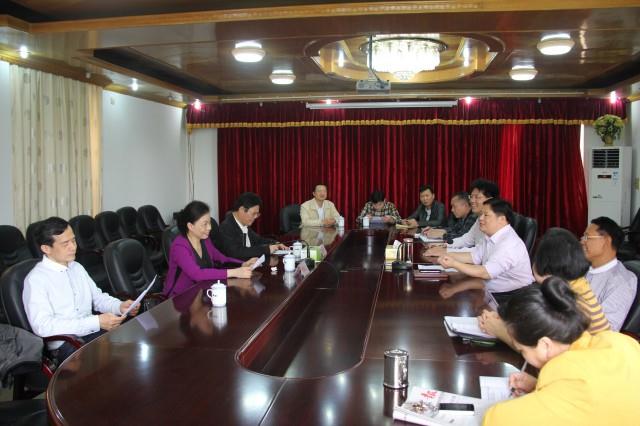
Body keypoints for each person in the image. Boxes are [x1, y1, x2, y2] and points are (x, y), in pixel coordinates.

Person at [482, 277, 640, 426]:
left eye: (521, 350)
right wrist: (539, 386)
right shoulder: (616, 340)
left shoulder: (570, 377)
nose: (522, 354)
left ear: (545, 345)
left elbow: (496, 420)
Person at [23, 217, 139, 363]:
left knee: (133, 346)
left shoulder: (76, 267)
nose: (73, 247)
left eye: (74, 240)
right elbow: (43, 326)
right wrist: (95, 322)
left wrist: (119, 306)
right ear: (46, 249)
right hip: (65, 344)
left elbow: (98, 298)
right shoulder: (36, 280)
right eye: (65, 244)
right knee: (115, 361)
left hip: (91, 331)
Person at [479, 227, 610, 346]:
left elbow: (537, 349)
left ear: (543, 264)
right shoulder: (578, 284)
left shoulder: (565, 299)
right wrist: (503, 321)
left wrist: (499, 330)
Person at [438, 198, 533, 294]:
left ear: (501, 219)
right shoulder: (491, 235)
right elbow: (473, 256)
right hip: (492, 286)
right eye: (481, 214)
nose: (480, 218)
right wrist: (446, 254)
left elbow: (485, 272)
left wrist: (454, 264)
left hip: (514, 295)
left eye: (486, 215)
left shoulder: (509, 244)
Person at [163, 201, 256, 297]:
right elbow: (196, 274)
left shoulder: (204, 240)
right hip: (180, 297)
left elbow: (221, 258)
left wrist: (242, 263)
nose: (210, 227)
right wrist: (235, 272)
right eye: (205, 224)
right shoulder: (179, 247)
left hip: (203, 291)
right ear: (190, 226)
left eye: (210, 223)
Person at [582, 217, 637, 331]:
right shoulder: (584, 269)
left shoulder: (622, 281)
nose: (582, 241)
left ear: (606, 241)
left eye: (587, 237)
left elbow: (606, 329)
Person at [424, 178, 499, 256]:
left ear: (490, 199)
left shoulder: (496, 221)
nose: (472, 201)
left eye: (477, 197)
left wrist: (447, 251)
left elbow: (481, 252)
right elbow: (466, 240)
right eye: (471, 197)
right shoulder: (479, 218)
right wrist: (444, 245)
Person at [218, 192, 288, 260]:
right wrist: (266, 249)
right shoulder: (226, 227)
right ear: (242, 210)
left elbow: (259, 240)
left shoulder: (243, 223)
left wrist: (276, 243)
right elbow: (237, 252)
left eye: (257, 214)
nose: (255, 217)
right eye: (253, 214)